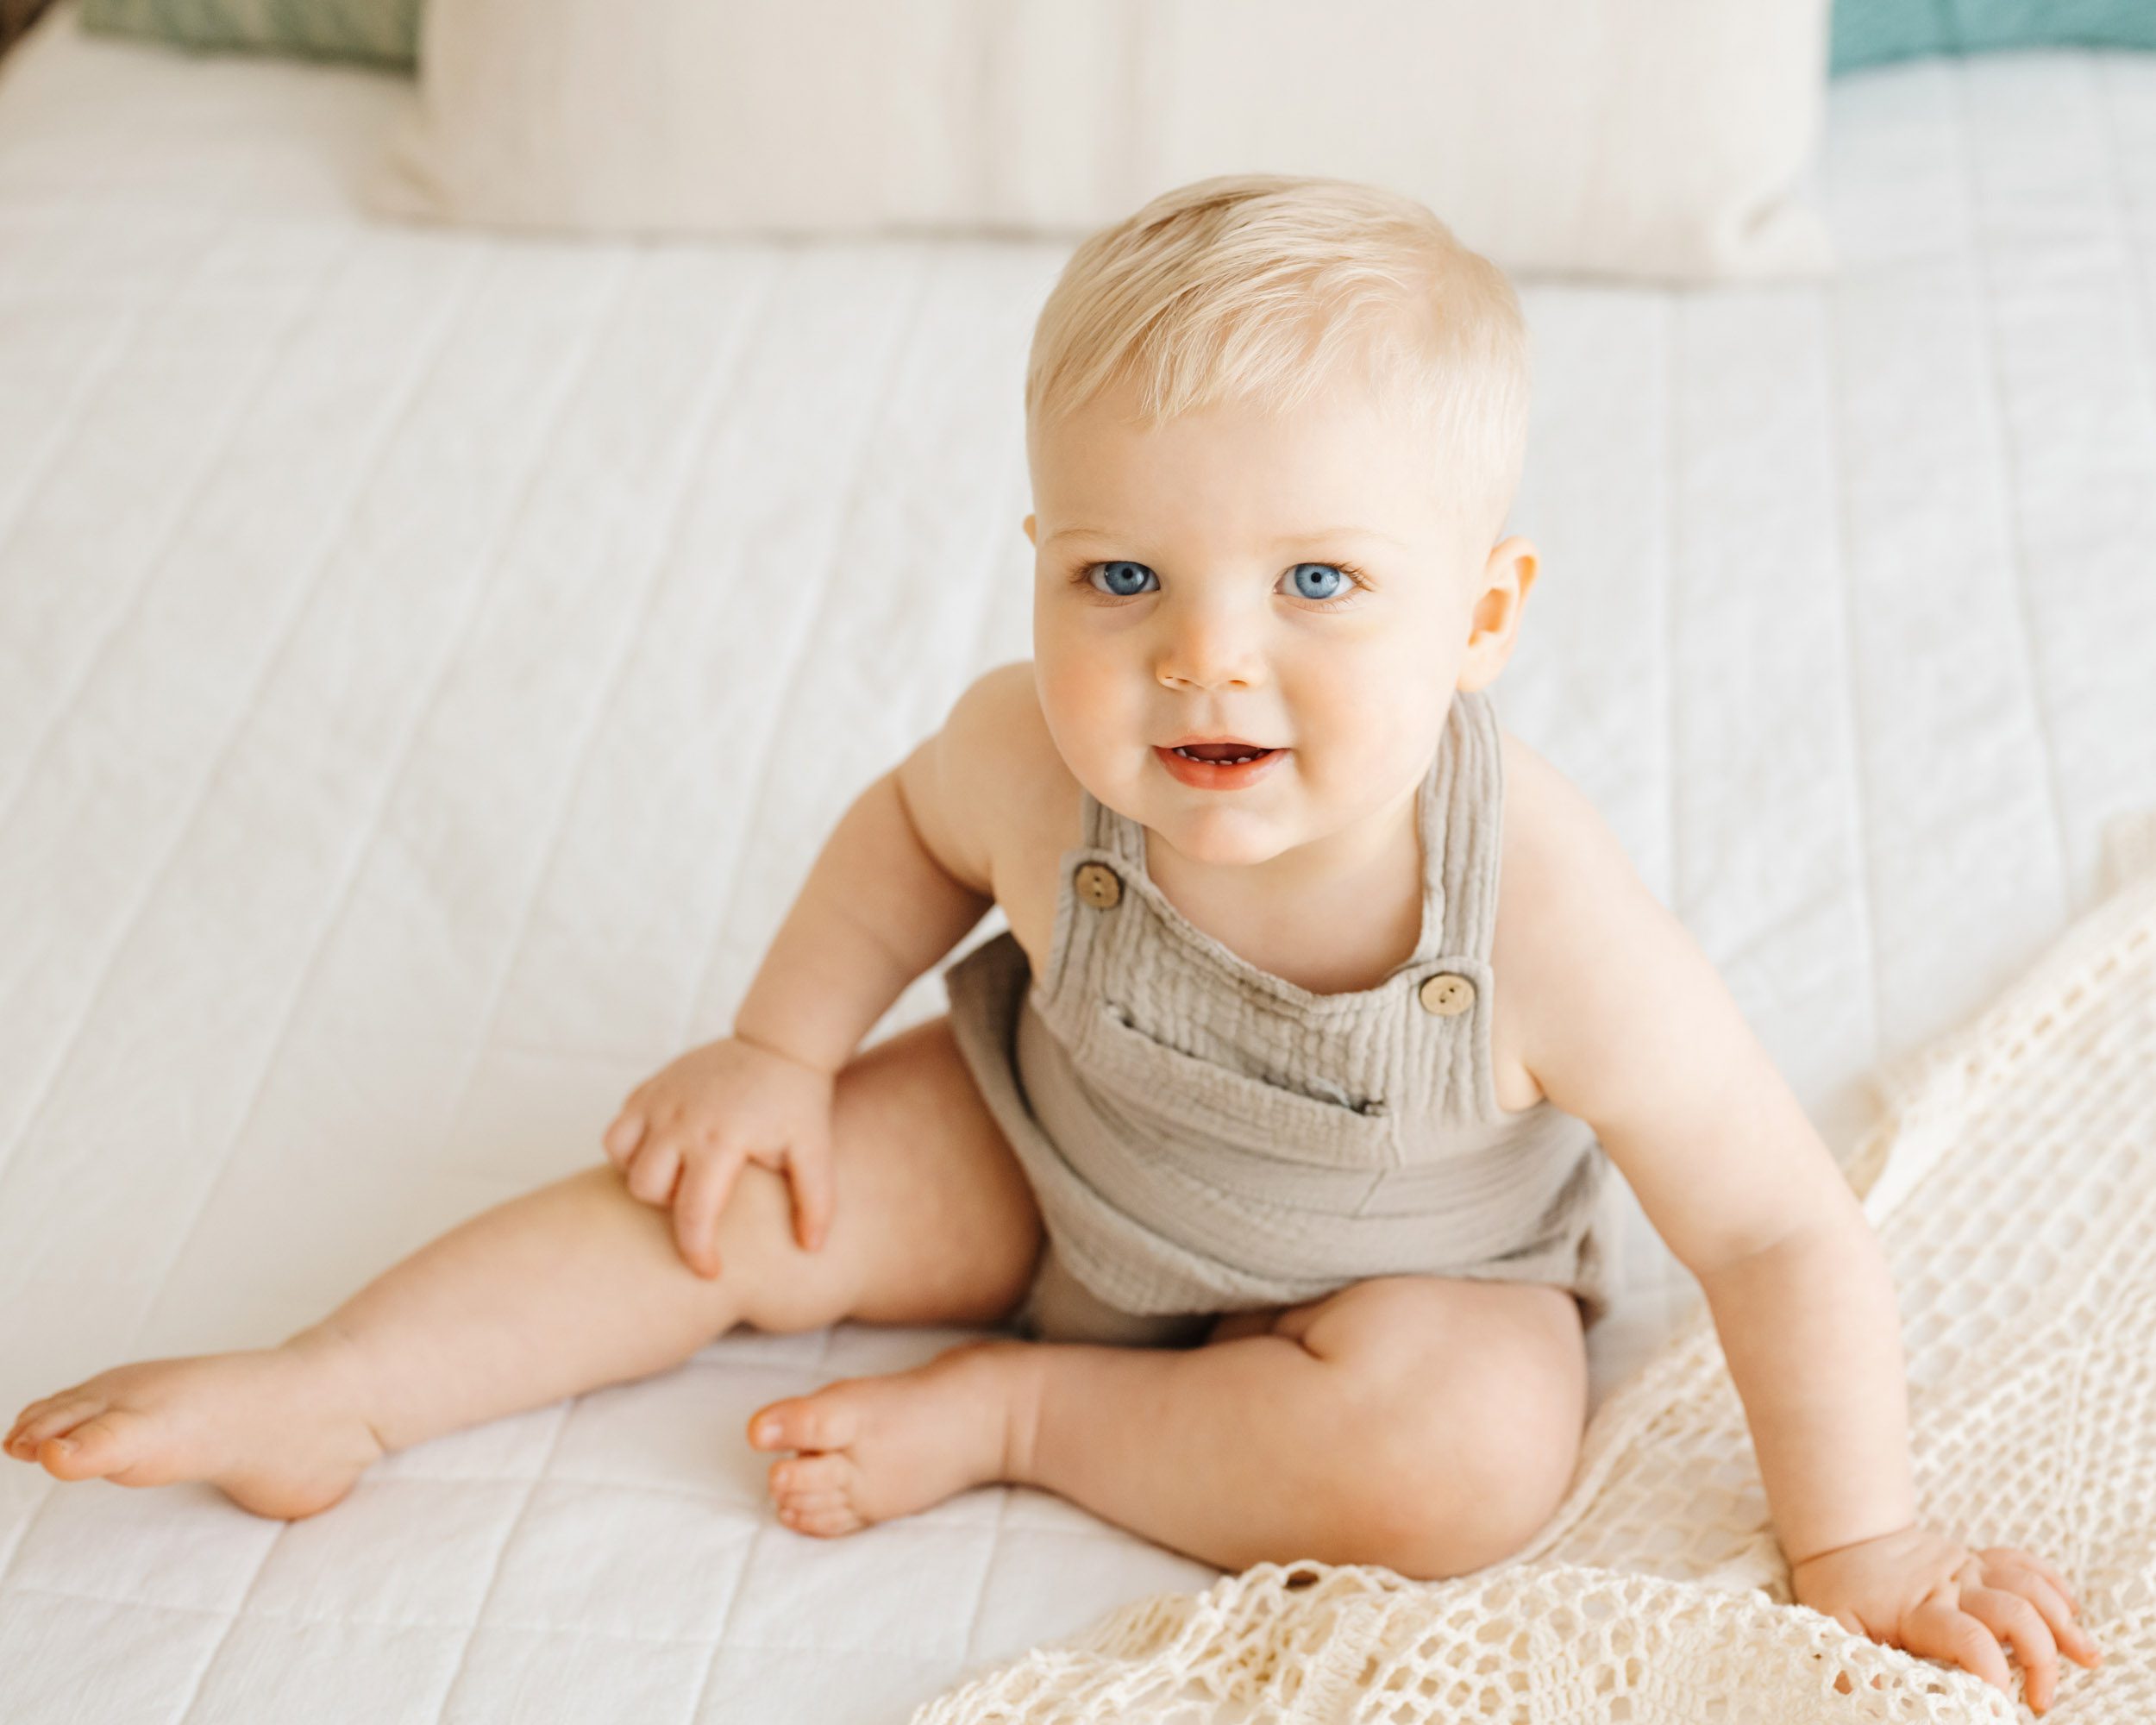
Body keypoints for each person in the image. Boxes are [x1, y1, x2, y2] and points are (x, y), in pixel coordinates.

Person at [5, 172, 2101, 1713]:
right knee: (729, 1191)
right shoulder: (1029, 753)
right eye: (1123, 573)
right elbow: (904, 838)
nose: (1206, 656)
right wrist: (777, 1039)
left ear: (1478, 614)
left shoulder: (1534, 902)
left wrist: (1862, 1543)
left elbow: (1766, 1230)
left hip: (1396, 1266)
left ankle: (1022, 1417)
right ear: (1037, 562)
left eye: (1314, 581)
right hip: (1047, 1138)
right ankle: (334, 1385)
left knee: (1469, 1454)